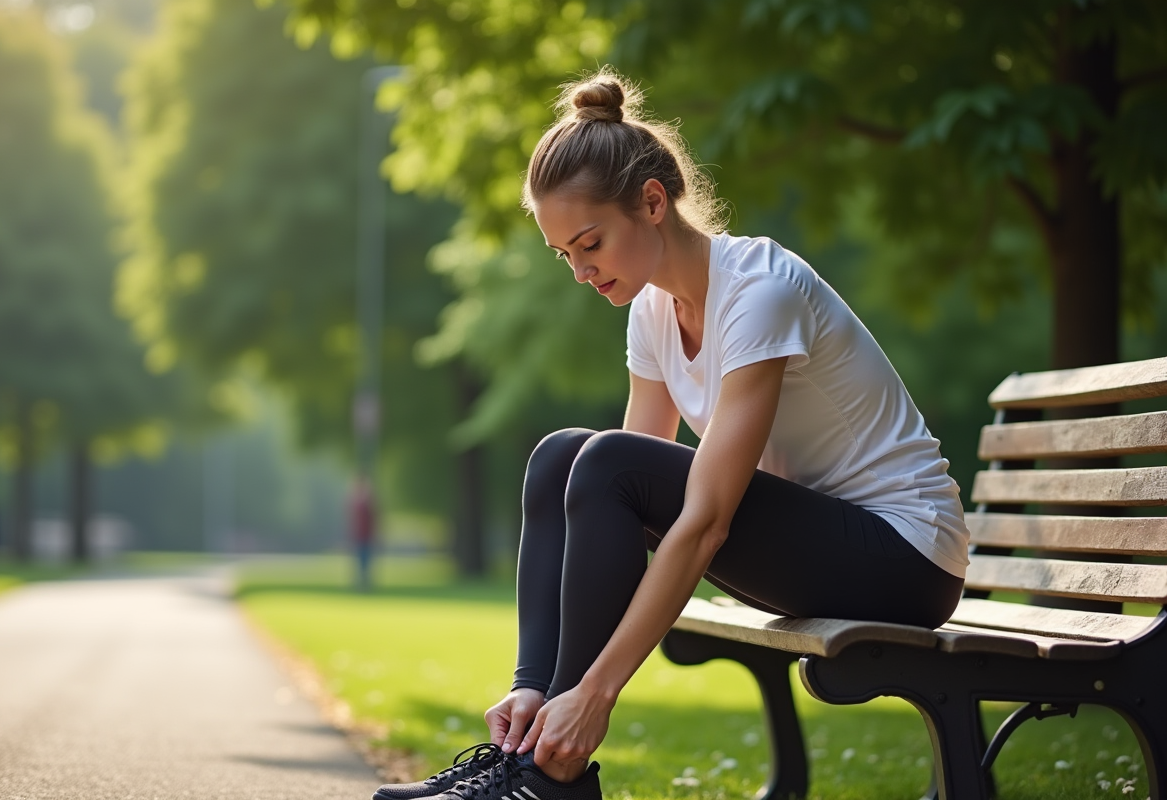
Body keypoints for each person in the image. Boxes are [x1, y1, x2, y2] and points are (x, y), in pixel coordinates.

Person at [373, 67, 970, 800]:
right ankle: (528, 734)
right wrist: (546, 686)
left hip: (904, 557)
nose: (580, 271)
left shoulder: (760, 291)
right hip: (822, 546)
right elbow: (618, 500)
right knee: (561, 456)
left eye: (590, 243)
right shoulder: (652, 313)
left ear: (653, 202)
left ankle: (550, 773)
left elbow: (702, 521)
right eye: (565, 254)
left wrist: (596, 695)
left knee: (603, 460)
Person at [349, 477, 377, 589]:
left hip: (367, 537)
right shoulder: (356, 500)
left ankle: (365, 584)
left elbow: (374, 518)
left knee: (365, 562)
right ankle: (361, 584)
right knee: (359, 562)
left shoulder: (368, 501)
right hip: (358, 536)